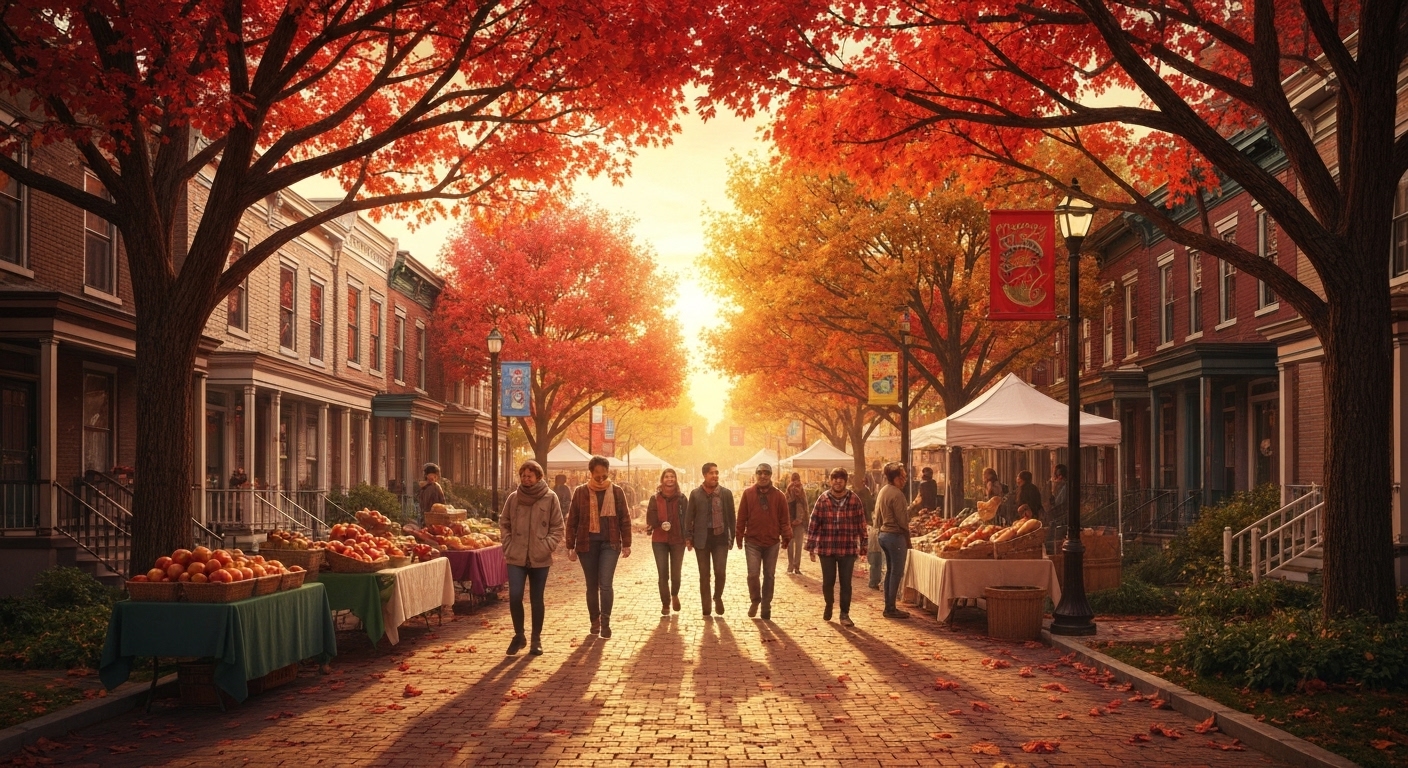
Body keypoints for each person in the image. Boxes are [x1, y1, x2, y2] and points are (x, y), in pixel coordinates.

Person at [500, 460, 565, 656]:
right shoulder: (513, 498)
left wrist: (545, 546)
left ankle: (536, 639)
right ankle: (519, 635)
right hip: (516, 556)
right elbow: (504, 523)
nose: (526, 479)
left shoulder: (550, 498)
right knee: (515, 597)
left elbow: (557, 528)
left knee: (537, 599)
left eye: (530, 476)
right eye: (523, 476)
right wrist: (508, 544)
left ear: (538, 477)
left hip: (540, 557)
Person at [565, 456, 632, 638]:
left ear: (608, 473)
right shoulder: (580, 492)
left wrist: (626, 543)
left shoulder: (617, 492)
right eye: (597, 475)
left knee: (606, 584)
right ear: (591, 473)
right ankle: (594, 620)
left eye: (604, 475)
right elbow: (572, 520)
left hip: (610, 543)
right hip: (587, 545)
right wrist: (569, 545)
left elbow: (624, 518)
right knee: (591, 585)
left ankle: (605, 623)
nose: (601, 479)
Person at [806, 467, 866, 626]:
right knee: (828, 582)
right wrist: (811, 546)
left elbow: (861, 523)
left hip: (847, 548)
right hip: (827, 548)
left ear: (845, 481)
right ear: (830, 481)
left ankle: (844, 614)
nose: (837, 481)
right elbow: (814, 523)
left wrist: (864, 544)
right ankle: (829, 604)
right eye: (834, 478)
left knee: (846, 583)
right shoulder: (823, 499)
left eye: (840, 478)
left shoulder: (854, 499)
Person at [735, 462, 791, 621]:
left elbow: (784, 519)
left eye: (766, 473)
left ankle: (766, 604)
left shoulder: (779, 496)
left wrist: (786, 536)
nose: (763, 476)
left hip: (772, 541)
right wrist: (739, 536)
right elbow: (741, 517)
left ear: (771, 475)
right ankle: (755, 600)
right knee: (753, 574)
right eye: (760, 473)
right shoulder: (748, 494)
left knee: (769, 575)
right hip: (752, 541)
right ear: (756, 475)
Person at [685, 462, 735, 617]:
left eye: (716, 473)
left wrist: (732, 536)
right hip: (702, 539)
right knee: (704, 574)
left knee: (720, 572)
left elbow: (732, 517)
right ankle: (706, 606)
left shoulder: (725, 493)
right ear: (705, 475)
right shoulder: (695, 494)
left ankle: (717, 596)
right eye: (712, 473)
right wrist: (688, 536)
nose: (715, 476)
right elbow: (689, 517)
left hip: (720, 538)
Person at [875, 461, 920, 619]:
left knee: (890, 572)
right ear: (894, 478)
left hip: (883, 535)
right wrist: (908, 540)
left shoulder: (883, 491)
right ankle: (891, 608)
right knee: (896, 572)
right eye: (902, 477)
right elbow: (903, 521)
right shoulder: (897, 494)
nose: (905, 480)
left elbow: (878, 518)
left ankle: (888, 605)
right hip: (895, 536)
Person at [646, 468, 687, 616]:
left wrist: (688, 538)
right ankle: (665, 604)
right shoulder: (655, 498)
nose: (669, 479)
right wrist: (659, 523)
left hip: (678, 540)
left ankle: (674, 594)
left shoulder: (682, 498)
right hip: (659, 540)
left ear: (675, 479)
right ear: (662, 480)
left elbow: (687, 519)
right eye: (667, 477)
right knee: (663, 574)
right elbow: (649, 517)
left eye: (672, 477)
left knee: (676, 573)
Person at [784, 472, 808, 574]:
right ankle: (792, 566)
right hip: (792, 521)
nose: (795, 482)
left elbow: (805, 506)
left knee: (796, 545)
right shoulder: (788, 492)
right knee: (791, 544)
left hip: (798, 521)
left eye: (797, 480)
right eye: (794, 480)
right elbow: (785, 506)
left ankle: (795, 566)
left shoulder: (802, 492)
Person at [1048, 464, 1068, 535]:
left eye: (1055, 476)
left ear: (1060, 476)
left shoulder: (1064, 487)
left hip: (1062, 515)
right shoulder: (1060, 486)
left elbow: (1059, 502)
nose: (1053, 479)